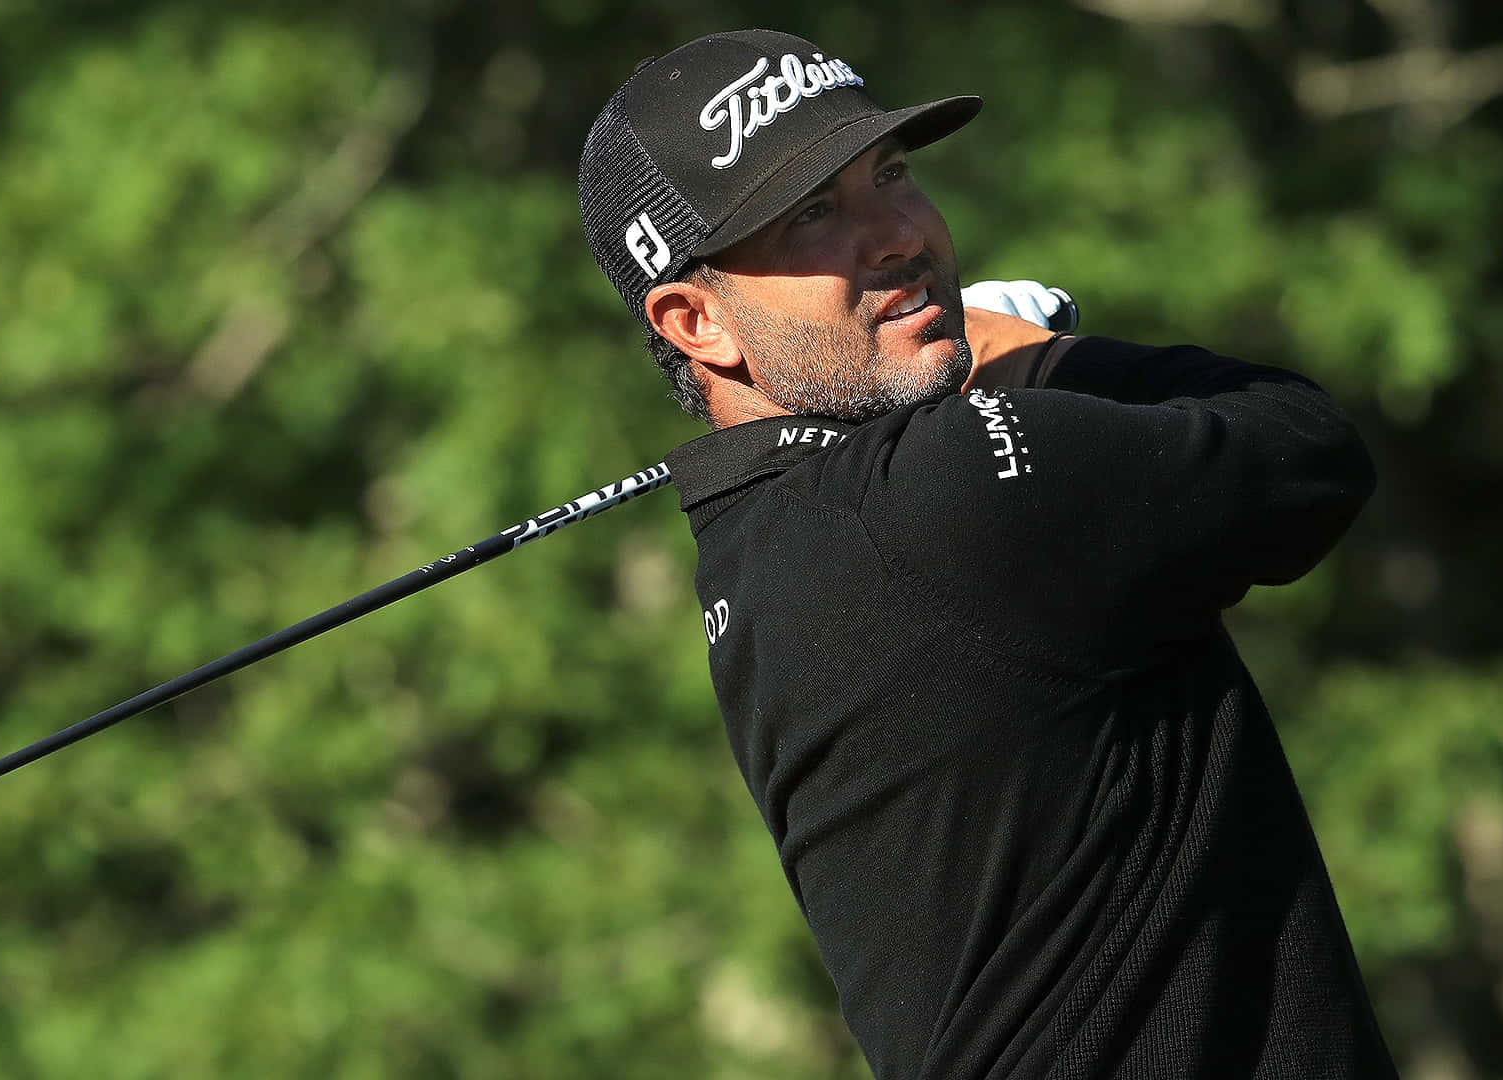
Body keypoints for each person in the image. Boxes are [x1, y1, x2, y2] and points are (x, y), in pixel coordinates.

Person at [577, 28, 1399, 1079]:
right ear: (698, 321)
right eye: (814, 215)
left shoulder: (749, 558)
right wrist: (1050, 361)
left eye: (893, 174)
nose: (897, 237)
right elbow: (1308, 452)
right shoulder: (951, 492)